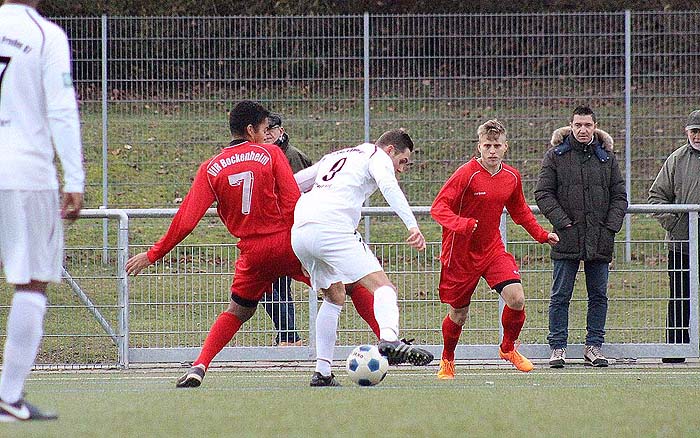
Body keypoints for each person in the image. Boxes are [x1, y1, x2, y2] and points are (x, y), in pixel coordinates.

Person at [125, 100, 311, 388]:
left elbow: (186, 221)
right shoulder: (272, 154)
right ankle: (368, 348)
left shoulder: (210, 168)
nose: (267, 135)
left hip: (252, 254)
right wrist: (308, 245)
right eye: (264, 129)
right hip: (287, 243)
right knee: (345, 285)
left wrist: (153, 254)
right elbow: (292, 203)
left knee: (238, 311)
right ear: (250, 130)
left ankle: (199, 365)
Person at [292, 129, 434, 387]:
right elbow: (388, 185)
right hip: (332, 228)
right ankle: (390, 339)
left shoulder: (335, 156)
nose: (402, 169)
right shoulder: (376, 154)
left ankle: (322, 372)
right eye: (402, 161)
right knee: (384, 287)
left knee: (334, 296)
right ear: (390, 150)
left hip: (301, 231)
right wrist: (412, 225)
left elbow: (294, 184)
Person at [0, 0, 84, 422]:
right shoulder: (45, 35)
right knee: (31, 282)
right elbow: (62, 109)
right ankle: (8, 398)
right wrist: (75, 178)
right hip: (25, 173)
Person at [431, 119, 558, 379]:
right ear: (479, 146)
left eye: (496, 146)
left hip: (492, 249)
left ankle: (508, 348)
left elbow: (520, 211)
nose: (492, 150)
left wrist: (542, 235)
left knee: (517, 298)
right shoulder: (466, 174)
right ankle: (447, 359)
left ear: (505, 147)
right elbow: (438, 208)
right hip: (460, 253)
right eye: (487, 145)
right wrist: (463, 224)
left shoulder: (511, 176)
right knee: (458, 314)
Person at [535, 106, 628, 368]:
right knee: (560, 295)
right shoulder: (555, 156)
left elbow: (619, 197)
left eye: (587, 125)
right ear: (571, 126)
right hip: (566, 237)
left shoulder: (607, 158)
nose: (583, 130)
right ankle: (557, 347)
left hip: (600, 238)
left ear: (595, 126)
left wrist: (610, 228)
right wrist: (563, 223)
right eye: (578, 125)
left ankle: (593, 347)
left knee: (598, 296)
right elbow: (543, 193)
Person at [648, 109, 700, 364]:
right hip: (682, 245)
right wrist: (677, 223)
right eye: (694, 131)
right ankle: (676, 348)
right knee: (679, 296)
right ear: (687, 132)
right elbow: (656, 197)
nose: (697, 136)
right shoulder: (677, 159)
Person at [259, 113, 312, 346]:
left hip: (287, 230)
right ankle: (287, 337)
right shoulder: (264, 155)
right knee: (279, 286)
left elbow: (299, 194)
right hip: (273, 229)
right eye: (264, 129)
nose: (268, 133)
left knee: (264, 283)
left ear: (281, 131)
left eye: (272, 129)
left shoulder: (292, 156)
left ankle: (289, 336)